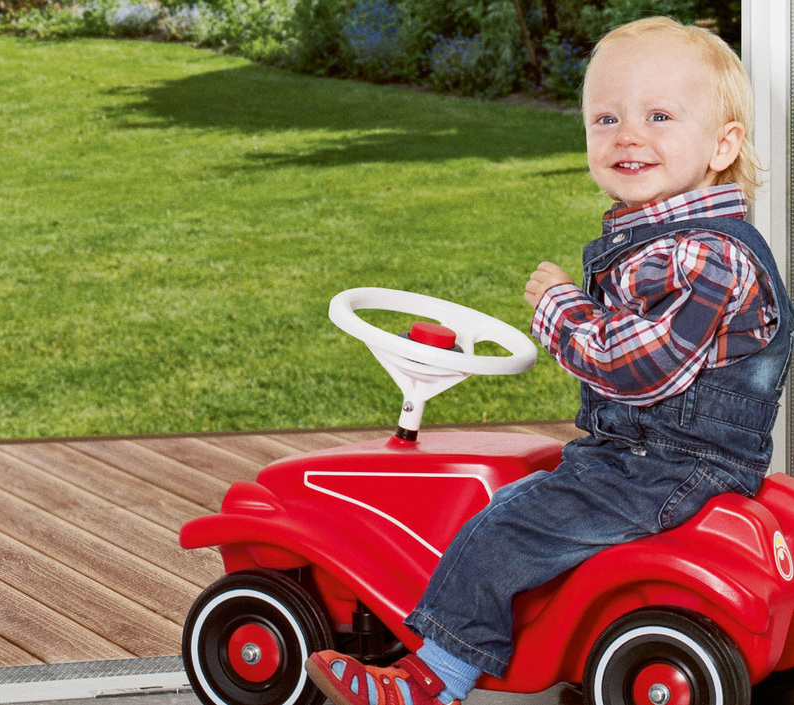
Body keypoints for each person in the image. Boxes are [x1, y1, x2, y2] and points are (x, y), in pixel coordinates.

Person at [305, 15, 794, 705]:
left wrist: (560, 308)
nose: (628, 134)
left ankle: (433, 677)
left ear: (723, 144)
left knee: (506, 522)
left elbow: (637, 368)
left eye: (658, 115)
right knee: (531, 478)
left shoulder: (701, 254)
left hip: (658, 467)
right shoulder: (679, 241)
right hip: (654, 457)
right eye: (606, 118)